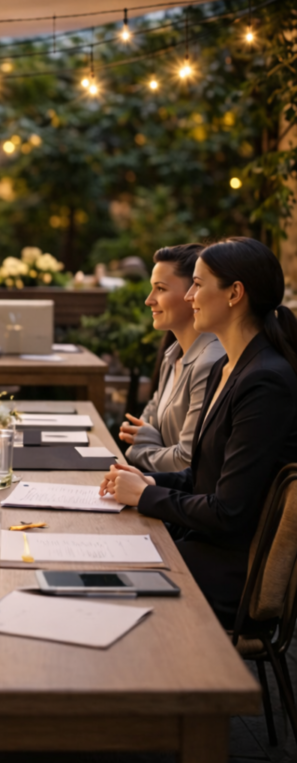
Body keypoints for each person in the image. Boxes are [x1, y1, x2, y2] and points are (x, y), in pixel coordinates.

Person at [100, 237, 297, 625]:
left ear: (234, 294)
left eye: (198, 284)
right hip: (202, 546)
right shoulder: (229, 368)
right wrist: (148, 478)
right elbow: (203, 474)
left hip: (233, 572)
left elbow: (228, 510)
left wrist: (148, 495)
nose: (189, 296)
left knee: (100, 575)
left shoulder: (266, 382)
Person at [120, 244, 225, 472]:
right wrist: (155, 444)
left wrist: (138, 450)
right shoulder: (173, 354)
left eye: (161, 289)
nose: (149, 300)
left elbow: (187, 461)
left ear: (193, 292)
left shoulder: (210, 363)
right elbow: (143, 424)